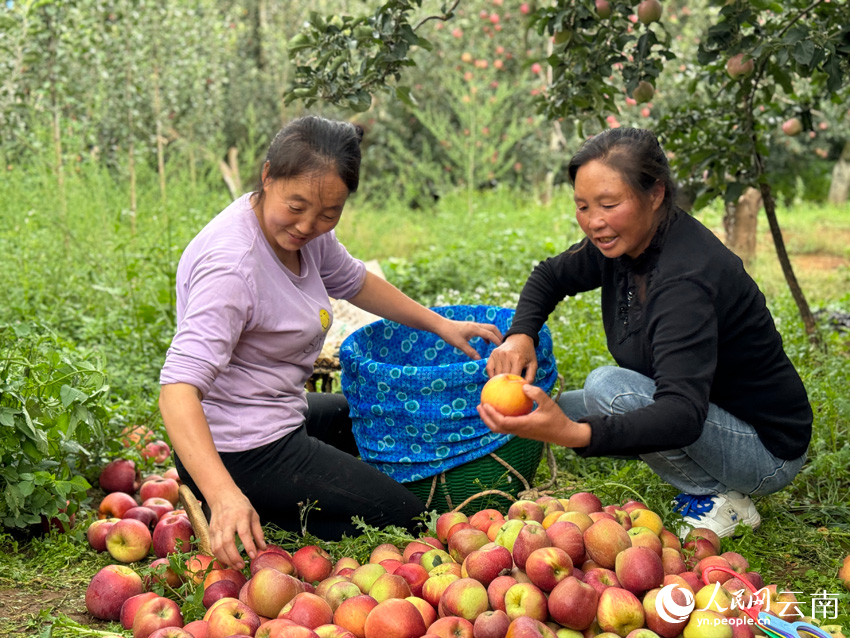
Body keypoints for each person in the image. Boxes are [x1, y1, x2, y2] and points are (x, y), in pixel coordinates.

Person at [159, 115, 502, 569]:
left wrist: (439, 324)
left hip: (279, 415)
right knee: (410, 522)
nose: (308, 225)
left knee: (380, 414)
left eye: (328, 213)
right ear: (267, 176)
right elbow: (177, 391)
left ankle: (282, 505)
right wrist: (224, 494)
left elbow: (355, 281)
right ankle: (248, 511)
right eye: (296, 206)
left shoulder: (304, 235)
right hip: (240, 452)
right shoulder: (232, 267)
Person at [477, 127, 812, 539]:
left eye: (609, 204)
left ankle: (722, 498)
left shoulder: (684, 280)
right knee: (560, 406)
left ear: (655, 195)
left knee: (607, 390)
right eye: (582, 206)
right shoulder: (627, 241)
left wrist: (575, 436)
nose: (593, 221)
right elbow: (550, 275)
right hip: (711, 408)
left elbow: (682, 415)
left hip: (765, 449)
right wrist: (520, 335)